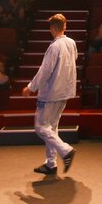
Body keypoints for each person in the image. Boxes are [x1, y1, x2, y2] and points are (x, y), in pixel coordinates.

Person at [22, 14, 77, 176]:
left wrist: (31, 87)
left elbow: (45, 71)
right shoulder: (71, 43)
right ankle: (51, 163)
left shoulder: (54, 47)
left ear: (52, 29)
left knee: (41, 127)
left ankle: (65, 151)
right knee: (51, 128)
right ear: (64, 26)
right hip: (64, 91)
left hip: (51, 93)